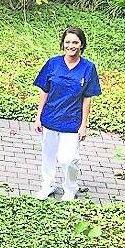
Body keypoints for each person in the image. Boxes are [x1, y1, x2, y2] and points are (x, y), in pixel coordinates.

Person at [33, 27, 101, 201]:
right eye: (68, 42)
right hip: (50, 118)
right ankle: (47, 185)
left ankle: (70, 188)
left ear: (82, 45)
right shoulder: (53, 64)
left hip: (72, 121)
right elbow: (44, 91)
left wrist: (84, 124)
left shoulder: (88, 68)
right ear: (63, 44)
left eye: (75, 42)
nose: (71, 46)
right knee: (47, 156)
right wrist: (38, 116)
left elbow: (87, 97)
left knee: (67, 159)